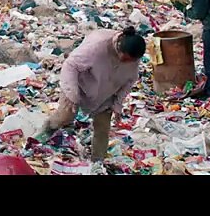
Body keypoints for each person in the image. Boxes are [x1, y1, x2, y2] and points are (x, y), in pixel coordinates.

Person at [47, 27, 146, 169]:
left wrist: (117, 104)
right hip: (80, 86)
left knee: (102, 128)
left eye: (130, 60)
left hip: (106, 94)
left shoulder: (133, 58)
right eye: (124, 58)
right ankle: (43, 135)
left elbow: (129, 82)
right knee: (65, 116)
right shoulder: (98, 46)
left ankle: (97, 163)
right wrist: (71, 94)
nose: (126, 62)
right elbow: (70, 66)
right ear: (119, 47)